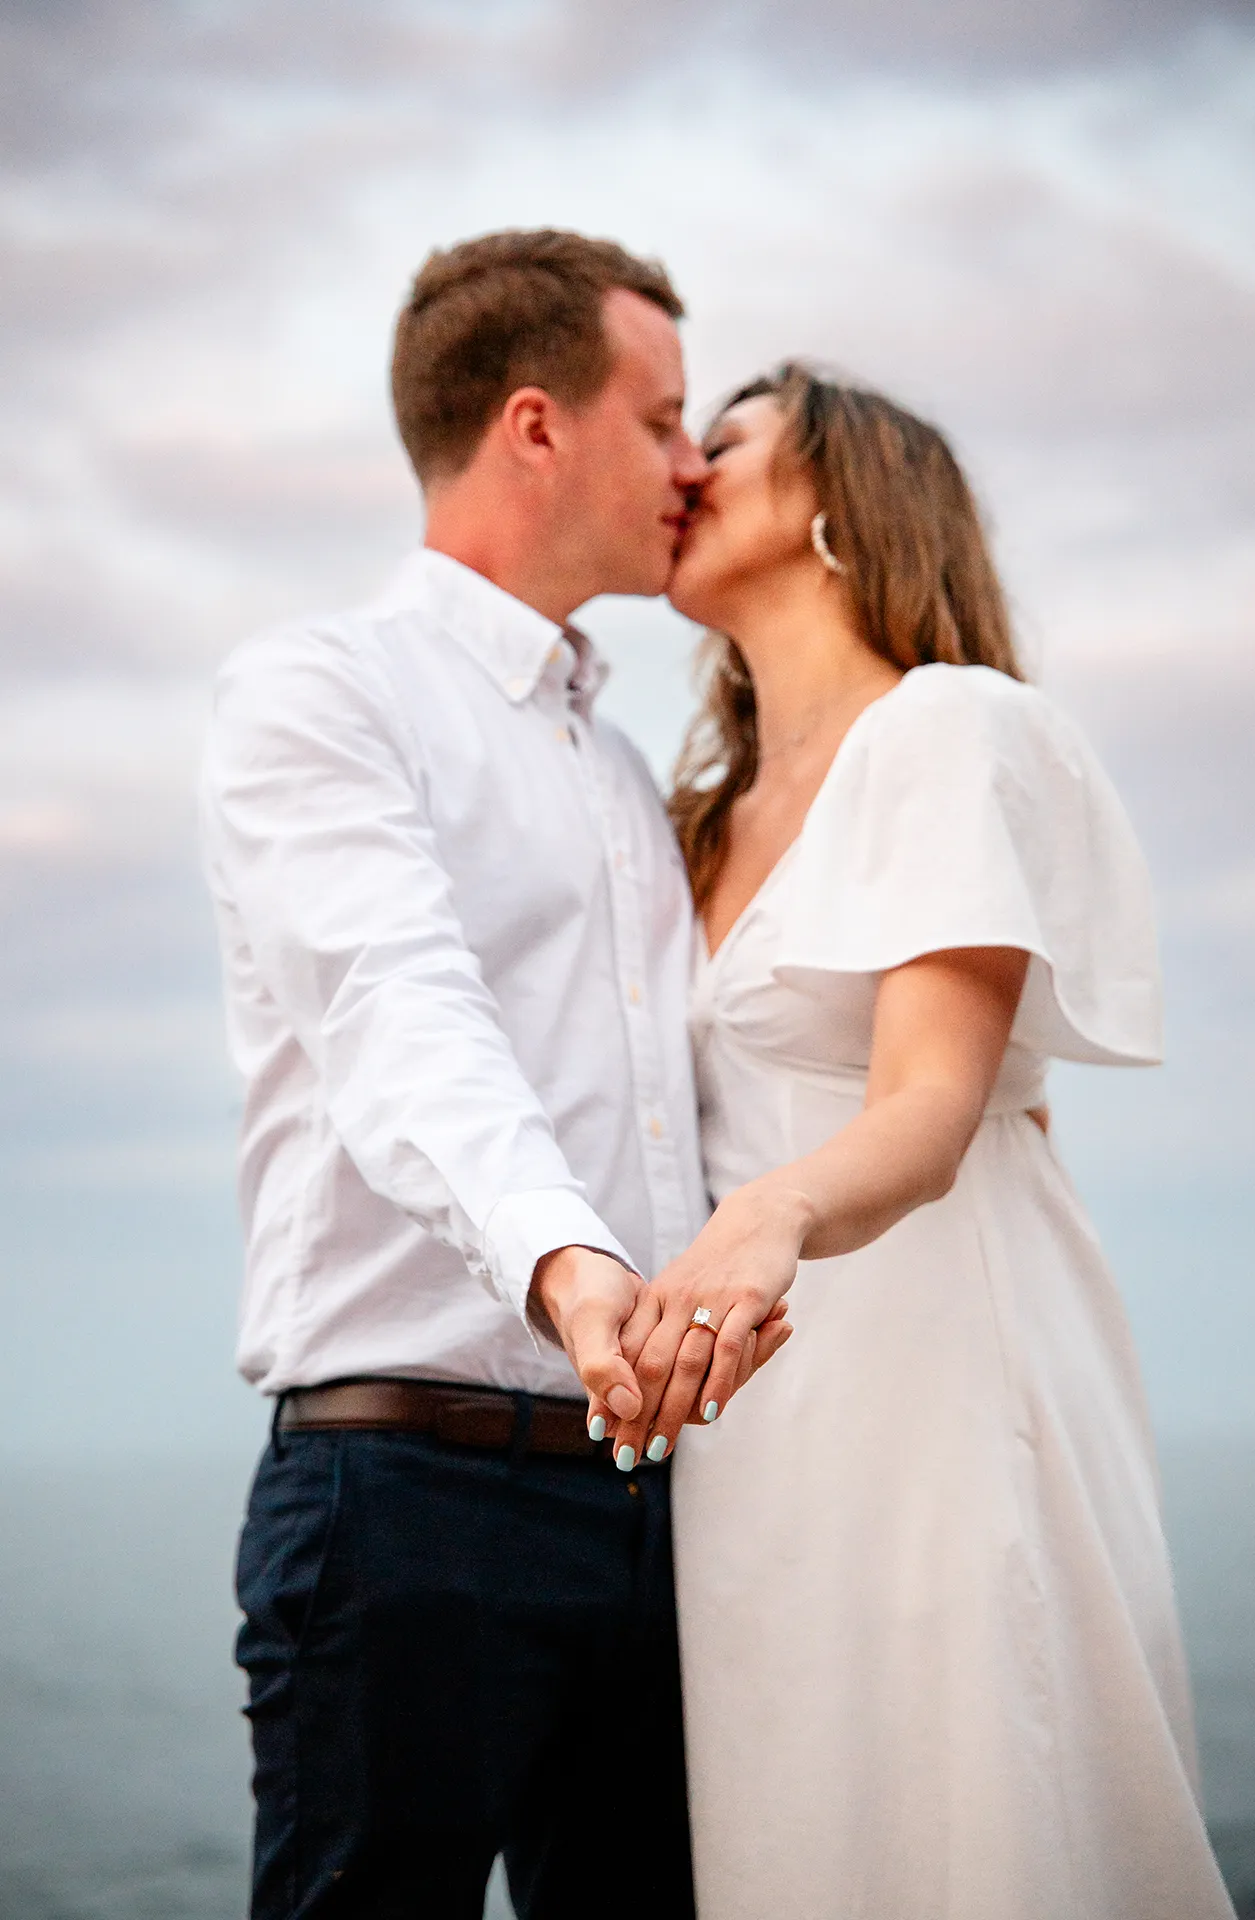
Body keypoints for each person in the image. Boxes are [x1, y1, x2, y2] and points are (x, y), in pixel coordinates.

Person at [588, 365, 1235, 1919]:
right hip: (755, 1401)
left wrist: (770, 1218)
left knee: (977, 1794)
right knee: (803, 1821)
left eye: (723, 441)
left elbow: (935, 1112)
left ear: (836, 501)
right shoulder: (696, 814)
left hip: (933, 1357)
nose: (683, 470)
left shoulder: (948, 728)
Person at [198, 229, 787, 1920]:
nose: (692, 465)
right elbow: (399, 1009)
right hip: (404, 1505)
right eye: (666, 418)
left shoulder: (617, 763)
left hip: (668, 1513)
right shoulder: (322, 692)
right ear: (537, 425)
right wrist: (569, 1261)